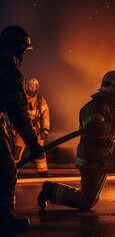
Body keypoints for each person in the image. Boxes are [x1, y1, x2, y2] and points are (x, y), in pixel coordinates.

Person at [38, 70, 115, 211]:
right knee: (86, 202)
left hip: (111, 151)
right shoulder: (95, 106)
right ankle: (50, 190)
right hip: (93, 156)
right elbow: (94, 129)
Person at [0, 25, 42, 231]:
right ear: (17, 48)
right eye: (23, 49)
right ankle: (5, 219)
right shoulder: (8, 71)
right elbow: (19, 114)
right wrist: (34, 143)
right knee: (6, 168)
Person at [13, 77, 50, 177]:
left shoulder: (41, 100)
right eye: (30, 86)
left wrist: (45, 129)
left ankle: (43, 172)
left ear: (37, 88)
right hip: (22, 128)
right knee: (17, 151)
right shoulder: (21, 98)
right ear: (26, 86)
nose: (31, 89)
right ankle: (13, 172)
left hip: (36, 130)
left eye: (33, 87)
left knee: (40, 151)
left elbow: (45, 115)